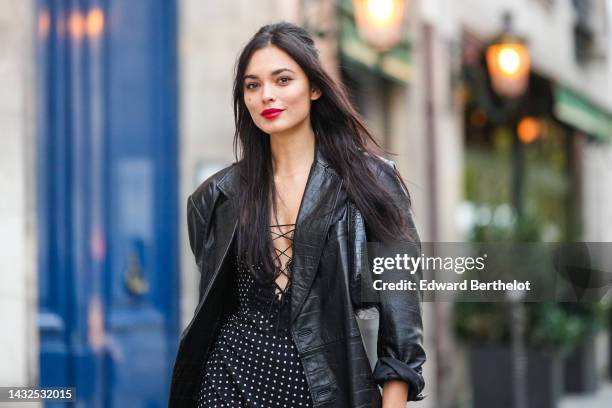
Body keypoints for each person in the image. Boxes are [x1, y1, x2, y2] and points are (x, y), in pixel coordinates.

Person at [169, 21, 426, 408]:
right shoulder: (216, 198)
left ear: (315, 87)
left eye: (282, 80)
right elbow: (217, 307)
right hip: (227, 387)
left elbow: (401, 330)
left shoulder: (371, 183)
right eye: (253, 85)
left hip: (325, 393)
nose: (266, 95)